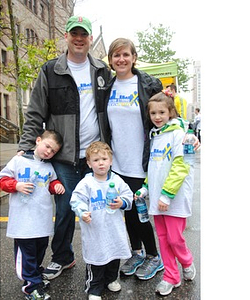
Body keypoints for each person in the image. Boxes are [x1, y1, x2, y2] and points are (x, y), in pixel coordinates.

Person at [17, 16, 112, 280]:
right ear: (67, 37)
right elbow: (35, 112)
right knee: (65, 211)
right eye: (74, 34)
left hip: (95, 157)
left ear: (90, 38)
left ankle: (105, 261)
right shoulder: (50, 70)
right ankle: (63, 257)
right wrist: (26, 147)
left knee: (101, 209)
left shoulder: (102, 70)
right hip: (64, 156)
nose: (79, 38)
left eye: (84, 34)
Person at [104, 37, 164, 280]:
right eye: (116, 55)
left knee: (140, 213)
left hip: (141, 162)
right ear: (110, 60)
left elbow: (167, 115)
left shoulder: (148, 85)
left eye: (126, 54)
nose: (121, 59)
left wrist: (186, 135)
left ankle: (154, 256)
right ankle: (136, 252)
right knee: (127, 211)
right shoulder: (107, 88)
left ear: (134, 57)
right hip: (117, 163)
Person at [136, 91, 196, 296]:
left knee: (174, 239)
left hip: (173, 199)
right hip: (158, 200)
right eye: (153, 113)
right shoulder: (155, 135)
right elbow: (154, 169)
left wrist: (166, 195)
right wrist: (145, 188)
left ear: (170, 112)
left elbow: (181, 166)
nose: (157, 116)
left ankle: (187, 261)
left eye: (161, 112)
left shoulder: (180, 134)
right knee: (162, 238)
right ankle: (171, 276)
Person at [0, 130, 65, 300]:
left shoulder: (48, 166)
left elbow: (51, 182)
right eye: (47, 146)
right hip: (23, 222)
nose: (49, 152)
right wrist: (16, 185)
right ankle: (31, 287)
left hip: (41, 220)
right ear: (38, 140)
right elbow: (2, 180)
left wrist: (56, 186)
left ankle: (35, 276)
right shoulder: (18, 161)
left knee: (40, 250)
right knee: (27, 253)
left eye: (53, 151)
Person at [70, 141, 133, 300]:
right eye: (96, 160)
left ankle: (111, 279)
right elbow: (76, 199)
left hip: (114, 228)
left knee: (114, 254)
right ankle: (94, 287)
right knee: (96, 259)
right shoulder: (86, 183)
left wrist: (122, 202)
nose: (101, 163)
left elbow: (128, 195)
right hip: (95, 229)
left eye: (104, 159)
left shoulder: (117, 180)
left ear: (110, 161)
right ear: (89, 164)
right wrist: (82, 212)